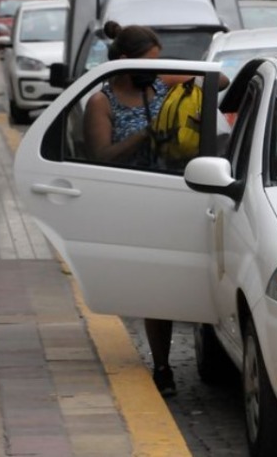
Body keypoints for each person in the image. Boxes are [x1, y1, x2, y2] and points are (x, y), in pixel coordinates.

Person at [82, 20, 227, 396]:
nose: (154, 70)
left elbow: (221, 83)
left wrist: (185, 79)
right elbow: (100, 155)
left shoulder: (161, 83)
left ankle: (216, 352)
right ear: (123, 61)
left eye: (157, 63)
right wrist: (147, 133)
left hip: (181, 189)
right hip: (135, 197)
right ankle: (162, 366)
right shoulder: (102, 101)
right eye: (147, 63)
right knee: (157, 288)